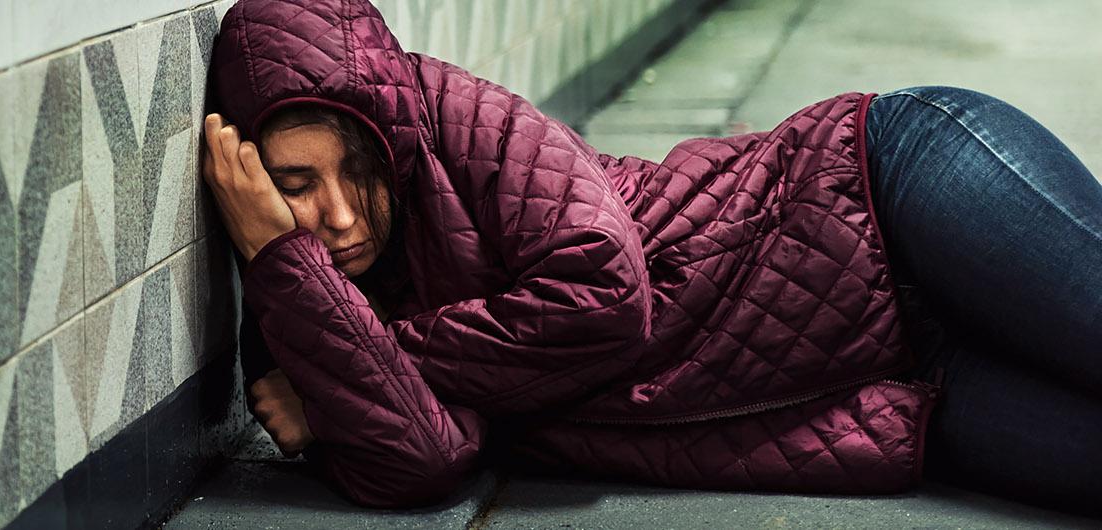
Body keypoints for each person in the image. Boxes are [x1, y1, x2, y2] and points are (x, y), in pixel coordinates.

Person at [201, 0, 1102, 517]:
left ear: (390, 134)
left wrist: (353, 372)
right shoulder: (304, 301)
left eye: (357, 172)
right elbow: (428, 463)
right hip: (894, 385)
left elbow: (602, 294)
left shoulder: (459, 121)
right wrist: (291, 268)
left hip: (889, 191)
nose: (340, 215)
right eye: (293, 188)